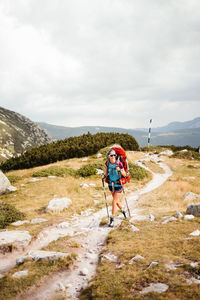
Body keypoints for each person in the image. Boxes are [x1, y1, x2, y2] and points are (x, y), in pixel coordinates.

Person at [102, 149, 127, 226]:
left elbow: (125, 175)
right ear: (108, 156)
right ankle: (123, 211)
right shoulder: (108, 163)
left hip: (118, 185)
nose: (113, 157)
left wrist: (119, 170)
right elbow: (106, 172)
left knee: (113, 202)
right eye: (111, 155)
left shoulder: (119, 163)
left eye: (114, 155)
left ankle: (112, 219)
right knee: (116, 201)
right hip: (111, 184)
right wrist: (104, 175)